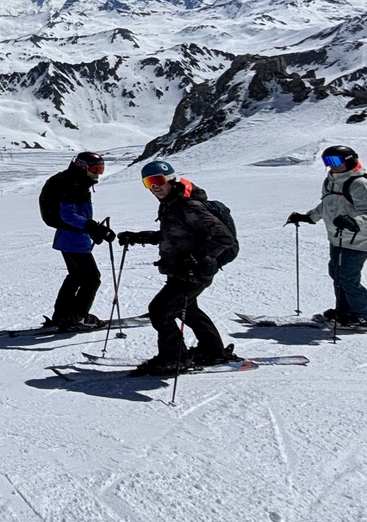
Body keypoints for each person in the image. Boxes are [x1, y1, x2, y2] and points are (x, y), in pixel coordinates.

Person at [118, 160, 237, 374]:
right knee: (188, 311)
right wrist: (139, 237)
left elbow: (224, 237)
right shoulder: (171, 203)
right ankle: (213, 351)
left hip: (193, 272)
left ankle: (173, 358)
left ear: (171, 179)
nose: (155, 187)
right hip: (181, 271)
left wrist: (197, 257)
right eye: (149, 183)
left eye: (158, 180)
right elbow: (173, 234)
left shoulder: (188, 206)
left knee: (160, 311)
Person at [286, 144, 367, 326]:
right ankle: (345, 310)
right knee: (336, 273)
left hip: (359, 239)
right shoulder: (331, 181)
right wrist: (309, 217)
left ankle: (364, 315)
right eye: (327, 161)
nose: (331, 165)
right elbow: (326, 204)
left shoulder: (360, 184)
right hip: (338, 238)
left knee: (347, 277)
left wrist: (353, 222)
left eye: (335, 160)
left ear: (349, 161)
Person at [38, 151, 114, 331]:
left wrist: (91, 230)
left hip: (67, 237)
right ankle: (78, 317)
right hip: (73, 240)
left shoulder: (75, 181)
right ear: (82, 167)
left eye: (101, 169)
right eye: (95, 169)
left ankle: (62, 315)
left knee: (76, 276)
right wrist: (92, 227)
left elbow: (75, 215)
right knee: (92, 278)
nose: (98, 174)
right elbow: (68, 215)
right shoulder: (74, 185)